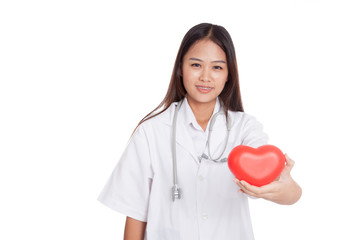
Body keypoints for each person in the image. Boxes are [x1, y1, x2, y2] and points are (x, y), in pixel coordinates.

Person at [98, 23, 302, 240]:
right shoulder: (151, 132)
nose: (205, 77)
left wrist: (284, 187)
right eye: (196, 65)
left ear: (228, 74)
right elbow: (136, 213)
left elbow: (289, 192)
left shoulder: (244, 128)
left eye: (217, 67)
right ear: (180, 68)